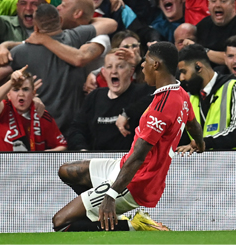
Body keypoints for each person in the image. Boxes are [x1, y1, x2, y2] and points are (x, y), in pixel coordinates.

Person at [52, 42, 204, 232]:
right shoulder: (180, 93)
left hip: (135, 181)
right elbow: (193, 124)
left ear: (156, 65)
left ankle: (132, 225)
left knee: (60, 222)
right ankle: (107, 215)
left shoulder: (161, 108)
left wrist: (110, 195)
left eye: (146, 60)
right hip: (124, 166)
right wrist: (199, 143)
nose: (142, 65)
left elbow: (139, 157)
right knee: (66, 171)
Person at [0, 3, 116, 134]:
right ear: (60, 20)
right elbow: (111, 24)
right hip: (75, 128)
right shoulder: (76, 37)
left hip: (40, 128)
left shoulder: (21, 52)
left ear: (35, 28)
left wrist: (7, 49)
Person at [177, 44, 236, 150]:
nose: (181, 78)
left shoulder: (234, 88)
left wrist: (204, 143)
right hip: (212, 164)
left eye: (184, 72)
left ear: (198, 67)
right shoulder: (190, 99)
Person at [68, 49, 153, 151]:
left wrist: (140, 61)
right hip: (97, 160)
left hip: (129, 161)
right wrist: (82, 150)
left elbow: (168, 88)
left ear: (131, 71)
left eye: (120, 66)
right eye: (109, 67)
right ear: (103, 73)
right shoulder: (94, 96)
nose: (114, 71)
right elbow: (77, 129)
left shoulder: (142, 92)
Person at [0, 66, 66, 152]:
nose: (21, 94)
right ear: (8, 94)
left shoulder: (42, 116)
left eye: (25, 89)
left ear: (33, 93)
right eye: (16, 89)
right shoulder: (3, 110)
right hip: (5, 164)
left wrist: (41, 157)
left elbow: (62, 146)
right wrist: (11, 82)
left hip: (34, 165)